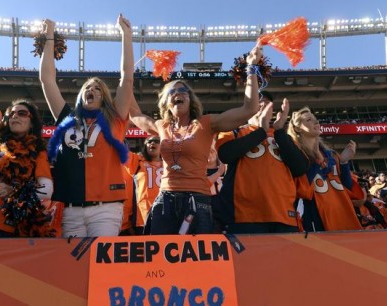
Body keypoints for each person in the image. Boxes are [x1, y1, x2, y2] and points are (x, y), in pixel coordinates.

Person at [129, 46, 261, 235]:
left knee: (195, 262)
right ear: (166, 102)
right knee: (161, 259)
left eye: (183, 91)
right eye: (172, 92)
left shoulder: (207, 123)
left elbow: (250, 109)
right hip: (165, 200)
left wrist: (251, 68)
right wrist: (126, 80)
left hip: (197, 201)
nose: (178, 93)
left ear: (191, 99)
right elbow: (134, 114)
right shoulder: (161, 126)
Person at [39, 14, 134, 237]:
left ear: (104, 97)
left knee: (101, 269)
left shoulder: (115, 117)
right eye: (87, 88)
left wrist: (126, 35)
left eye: (97, 88)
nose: (91, 90)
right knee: (75, 270)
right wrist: (49, 35)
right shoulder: (67, 118)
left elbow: (127, 78)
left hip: (106, 208)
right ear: (81, 96)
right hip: (71, 210)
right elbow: (47, 80)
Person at [0, 50, 53, 237]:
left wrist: (14, 191)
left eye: (22, 113)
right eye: (11, 114)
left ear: (32, 123)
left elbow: (46, 190)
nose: (15, 116)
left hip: (17, 229)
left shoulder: (38, 152)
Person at [216, 92, 309, 234]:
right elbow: (225, 154)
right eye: (258, 101)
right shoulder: (234, 131)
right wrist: (261, 131)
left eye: (267, 102)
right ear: (248, 107)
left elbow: (300, 168)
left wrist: (278, 131)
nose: (263, 104)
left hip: (284, 217)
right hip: (245, 218)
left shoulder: (281, 136)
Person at [288, 106, 364, 232]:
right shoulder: (295, 154)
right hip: (314, 215)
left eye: (315, 119)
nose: (316, 122)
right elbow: (301, 188)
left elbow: (347, 186)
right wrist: (317, 161)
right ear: (297, 128)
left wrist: (344, 162)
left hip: (342, 211)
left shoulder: (331, 154)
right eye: (308, 120)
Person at [122, 135, 163, 235]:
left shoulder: (170, 164)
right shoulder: (137, 161)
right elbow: (120, 148)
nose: (152, 143)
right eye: (149, 141)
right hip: (143, 218)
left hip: (166, 217)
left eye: (156, 141)